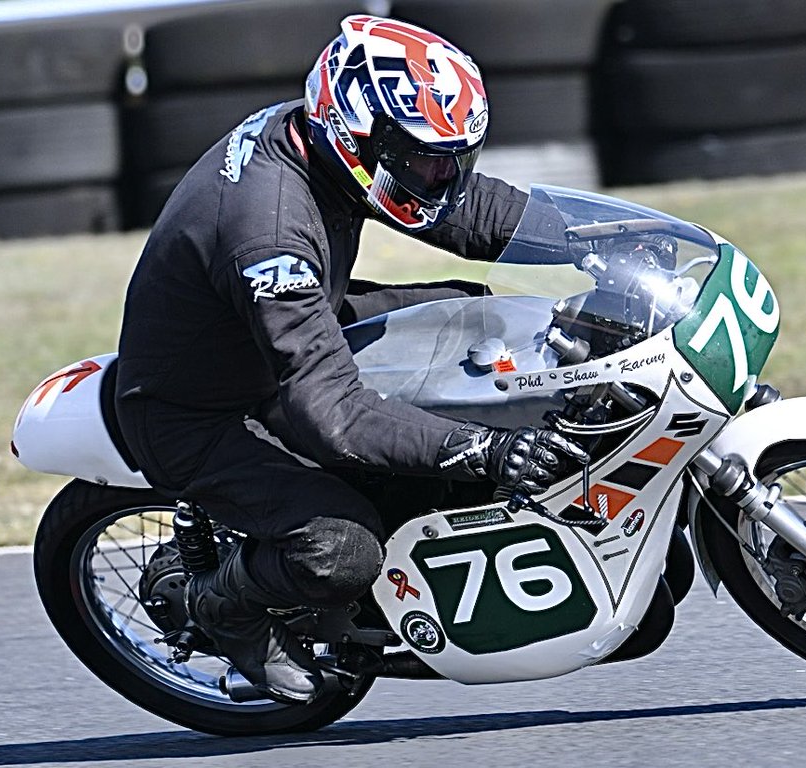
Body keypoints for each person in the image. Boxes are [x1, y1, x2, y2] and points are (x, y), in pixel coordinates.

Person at [114, 15, 588, 705]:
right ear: (356, 135)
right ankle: (223, 605)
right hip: (199, 410)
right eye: (427, 160)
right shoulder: (269, 228)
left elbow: (465, 211)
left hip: (269, 340)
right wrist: (484, 451)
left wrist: (594, 240)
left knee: (478, 318)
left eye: (453, 158)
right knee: (342, 549)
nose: (440, 175)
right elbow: (331, 410)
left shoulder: (334, 151)